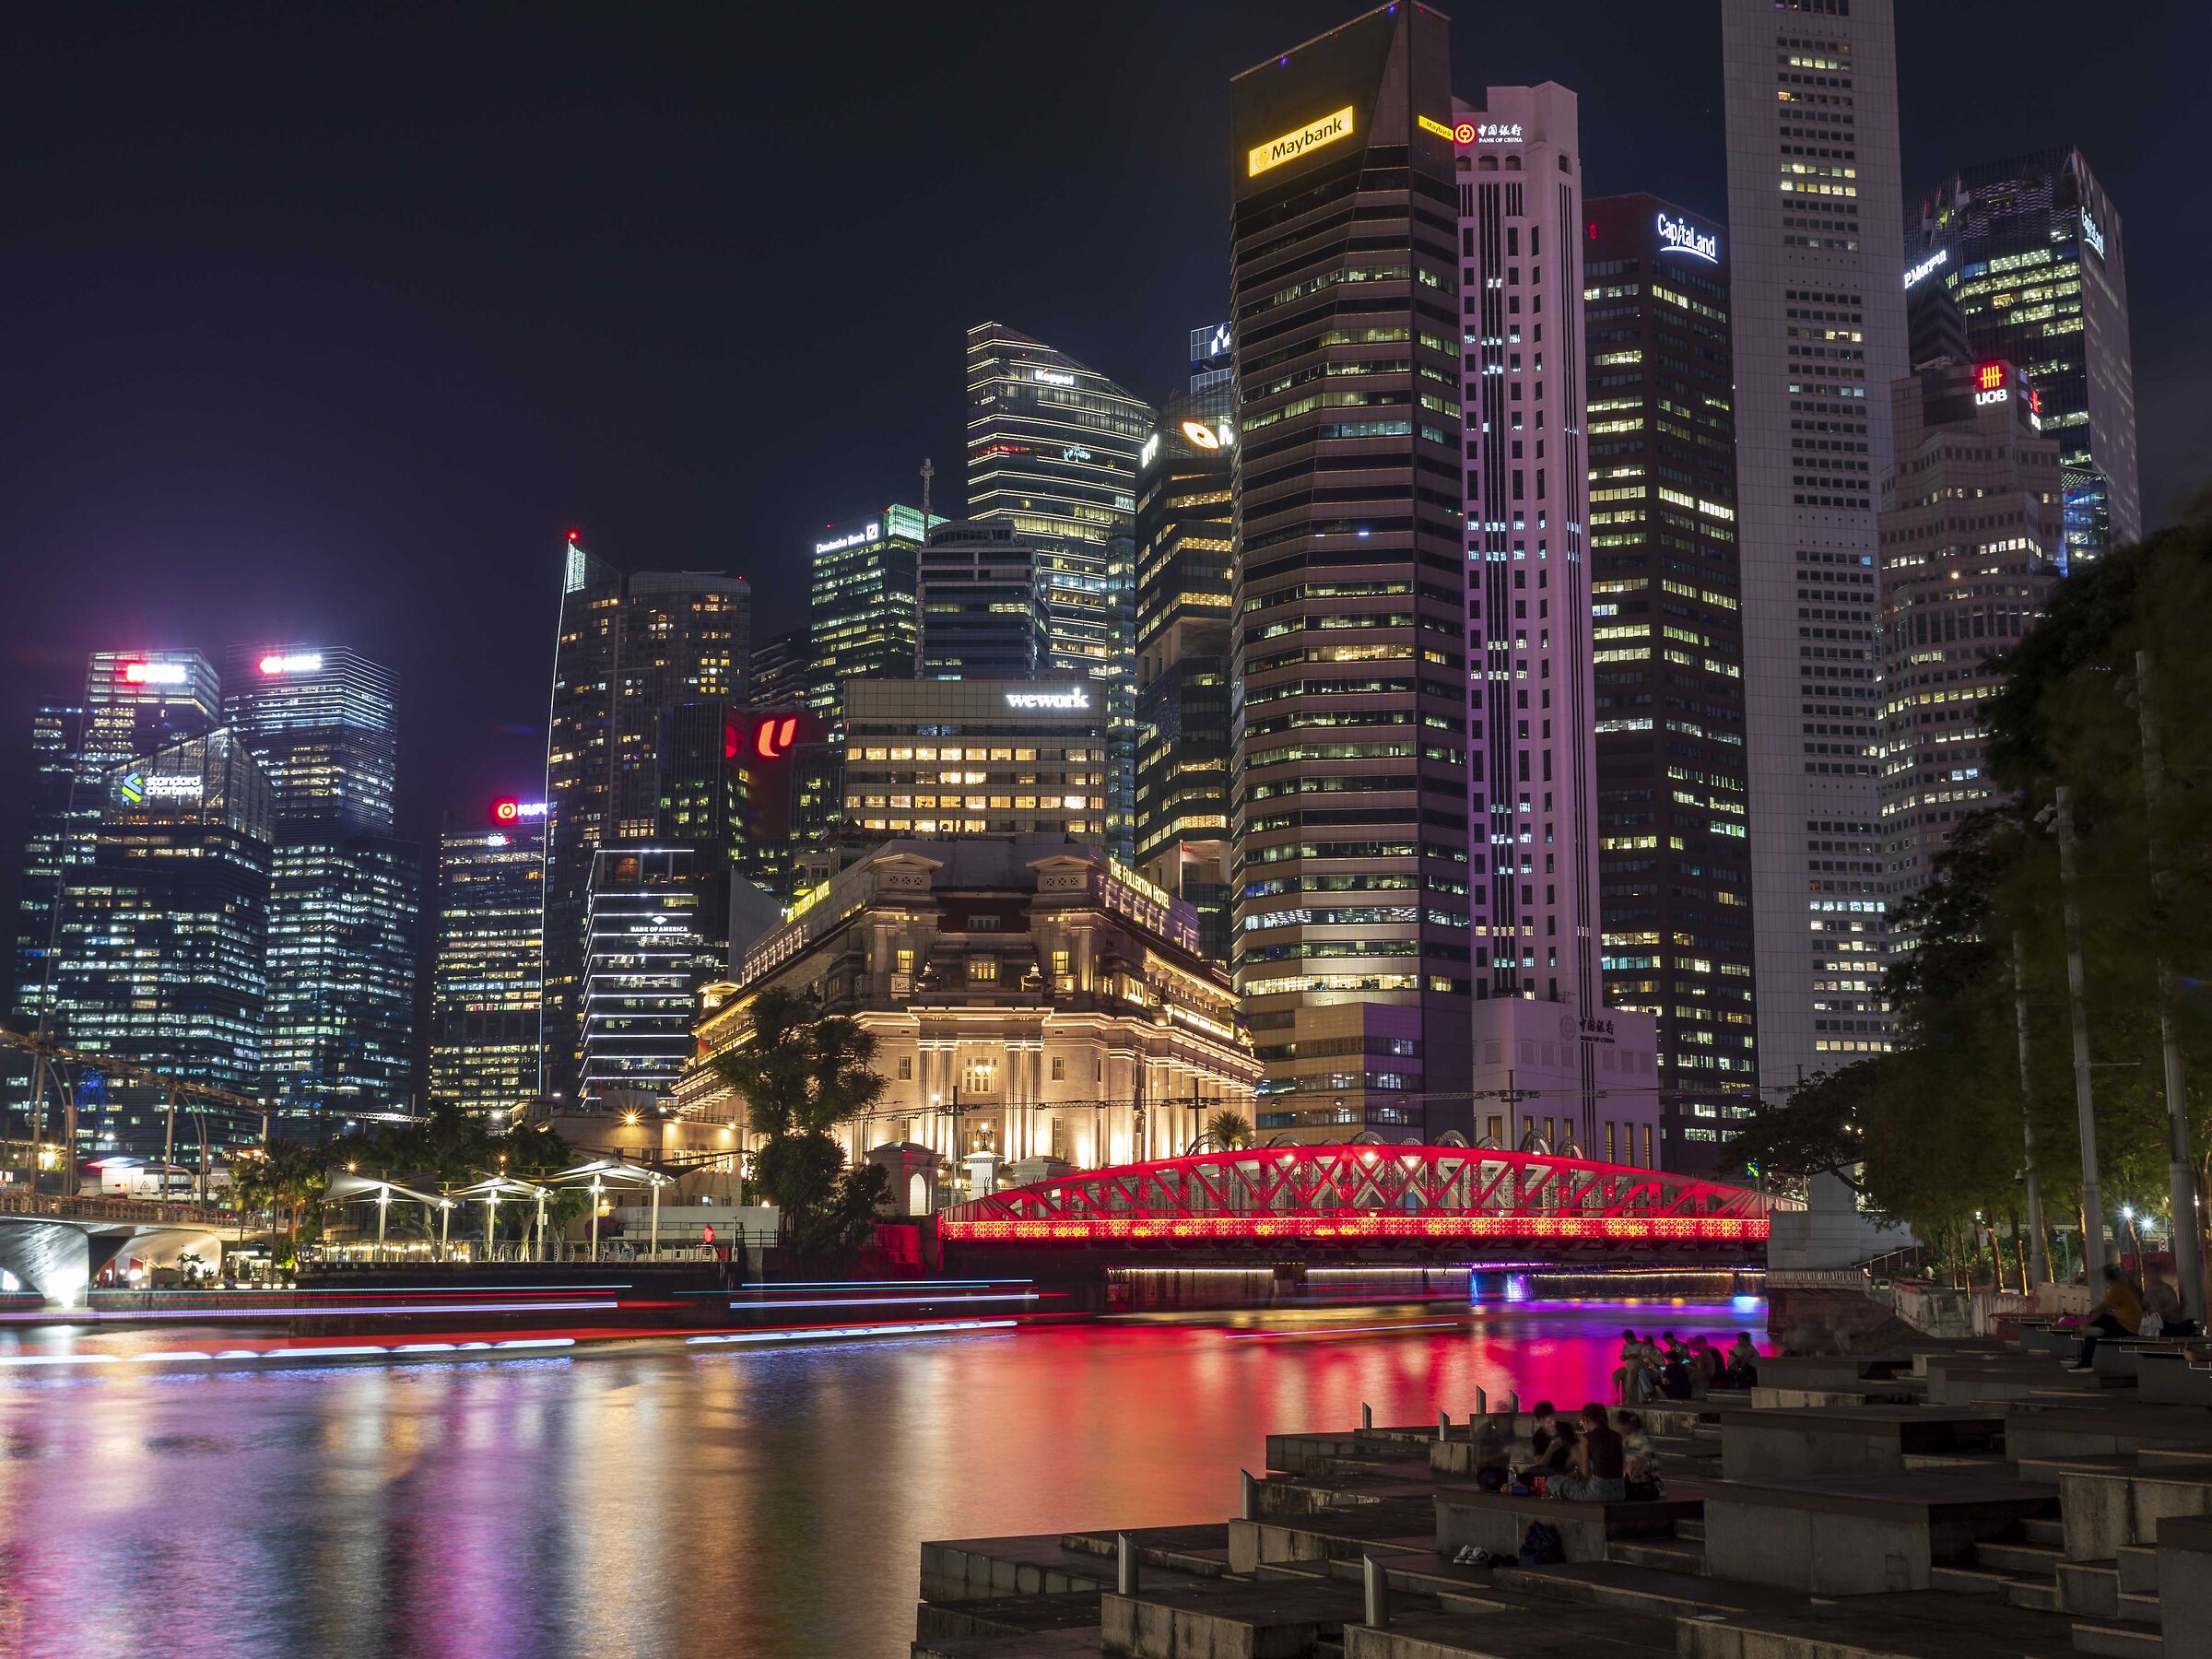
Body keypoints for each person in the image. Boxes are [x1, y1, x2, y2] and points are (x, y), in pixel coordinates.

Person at [1548, 1404, 1628, 1503]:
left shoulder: (1587, 1438)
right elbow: (1621, 1465)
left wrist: (1577, 1458)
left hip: (1598, 1492)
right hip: (1619, 1492)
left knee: (1553, 1481)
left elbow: (1585, 1474)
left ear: (1586, 1419)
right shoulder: (1617, 1436)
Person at [2073, 1264, 2145, 1369]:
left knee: (2097, 1322)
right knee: (2098, 1323)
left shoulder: (2116, 1290)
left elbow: (2101, 1309)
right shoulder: (2127, 1288)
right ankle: (2096, 1332)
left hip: (2126, 1328)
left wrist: (2086, 1324)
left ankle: (2085, 1361)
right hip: (2131, 1325)